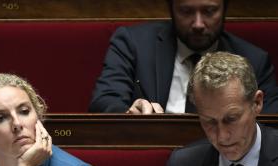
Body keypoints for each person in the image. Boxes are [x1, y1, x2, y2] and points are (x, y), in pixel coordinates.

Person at [89, 0, 278, 114]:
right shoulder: (133, 43)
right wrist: (129, 113)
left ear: (224, 8)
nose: (198, 24)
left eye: (209, 11)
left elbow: (269, 127)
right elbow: (104, 101)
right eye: (186, 11)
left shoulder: (254, 60)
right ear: (171, 8)